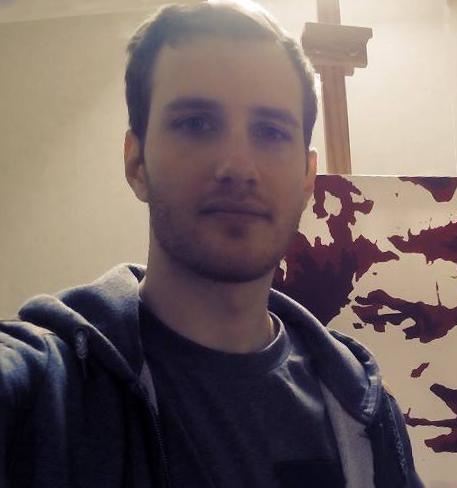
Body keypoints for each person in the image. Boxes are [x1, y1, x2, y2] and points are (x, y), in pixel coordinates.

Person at [0, 1, 423, 487]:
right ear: (137, 163)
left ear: (308, 178)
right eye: (197, 123)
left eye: (270, 131)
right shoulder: (43, 391)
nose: (238, 167)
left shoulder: (366, 409)